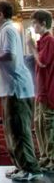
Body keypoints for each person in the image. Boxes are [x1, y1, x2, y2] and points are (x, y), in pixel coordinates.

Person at [0, 0, 42, 181]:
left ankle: (31, 168)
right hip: (10, 88)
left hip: (17, 88)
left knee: (20, 130)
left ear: (1, 14)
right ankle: (20, 165)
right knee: (11, 129)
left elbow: (9, 55)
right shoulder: (4, 30)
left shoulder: (9, 30)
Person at [28, 9, 54, 170]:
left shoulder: (49, 40)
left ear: (43, 23)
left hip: (48, 91)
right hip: (40, 91)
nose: (33, 26)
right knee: (38, 124)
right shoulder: (43, 40)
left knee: (48, 126)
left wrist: (31, 47)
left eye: (34, 23)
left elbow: (42, 62)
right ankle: (44, 156)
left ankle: (52, 159)